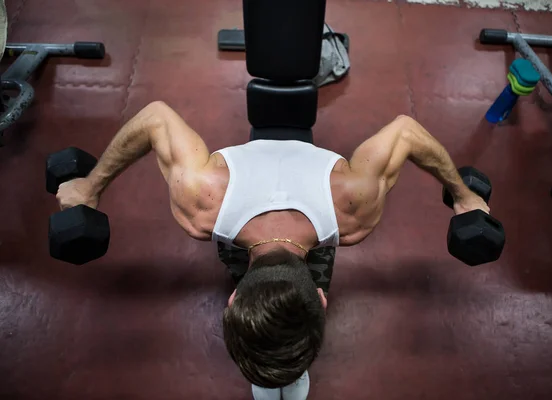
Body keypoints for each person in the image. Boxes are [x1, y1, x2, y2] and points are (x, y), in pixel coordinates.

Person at [56, 101, 490, 400]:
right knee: (283, 312)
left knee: (274, 312)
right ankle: (286, 371)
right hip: (302, 217)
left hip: (243, 220)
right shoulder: (353, 212)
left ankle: (287, 372)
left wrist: (90, 187)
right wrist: (463, 194)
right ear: (322, 299)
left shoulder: (202, 205)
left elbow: (155, 118)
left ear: (232, 300)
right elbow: (406, 131)